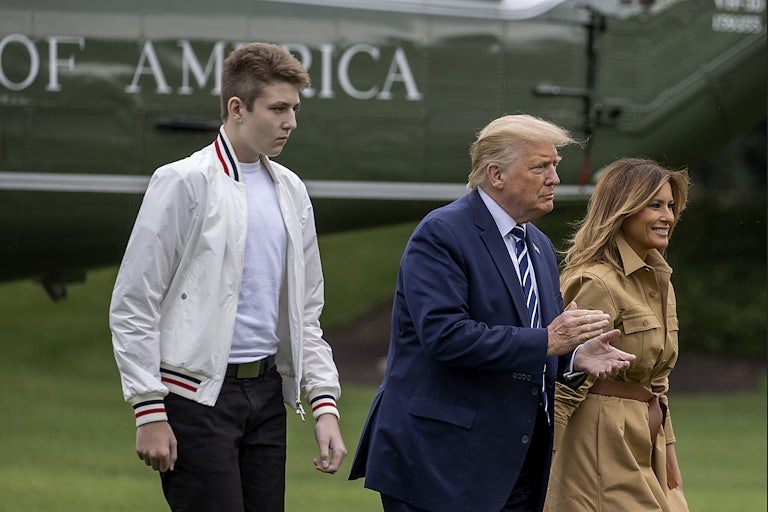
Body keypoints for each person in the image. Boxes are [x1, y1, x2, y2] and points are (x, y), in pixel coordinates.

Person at [349, 114, 637, 512]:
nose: (554, 178)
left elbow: (534, 337)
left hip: (516, 461)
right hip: (441, 462)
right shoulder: (442, 233)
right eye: (540, 167)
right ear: (495, 174)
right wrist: (549, 341)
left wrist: (573, 356)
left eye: (555, 166)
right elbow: (445, 336)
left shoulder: (535, 243)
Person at [109, 42, 346, 512]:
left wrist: (324, 403)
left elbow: (306, 312)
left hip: (266, 396)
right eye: (278, 108)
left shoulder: (293, 191)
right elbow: (134, 303)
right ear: (237, 108)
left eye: (295, 109)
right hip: (193, 399)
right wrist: (148, 409)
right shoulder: (182, 181)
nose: (291, 122)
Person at [545, 158, 690, 511]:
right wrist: (540, 462)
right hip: (598, 441)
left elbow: (659, 382)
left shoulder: (659, 279)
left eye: (670, 206)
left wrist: (670, 463)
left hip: (645, 437)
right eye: (654, 205)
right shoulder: (595, 281)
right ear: (623, 210)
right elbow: (564, 377)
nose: (667, 216)